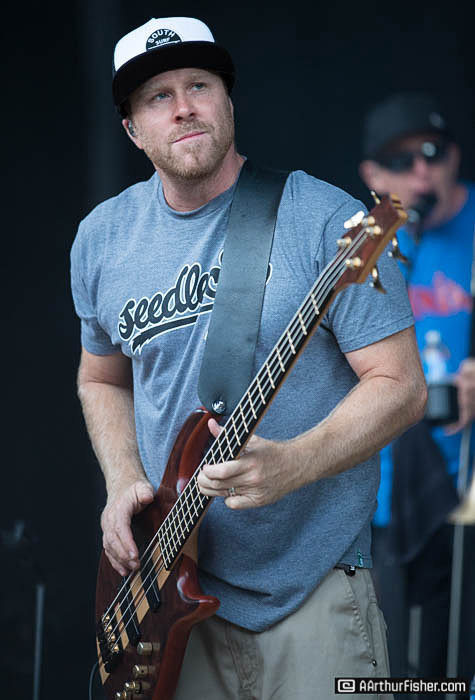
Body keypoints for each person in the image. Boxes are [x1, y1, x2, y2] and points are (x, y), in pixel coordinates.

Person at [71, 18, 426, 700]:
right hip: (167, 594)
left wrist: (296, 462)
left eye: (199, 85)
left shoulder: (327, 219)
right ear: (132, 129)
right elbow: (100, 377)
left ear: (228, 102)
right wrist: (122, 481)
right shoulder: (101, 239)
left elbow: (401, 386)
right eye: (158, 96)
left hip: (311, 587)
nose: (183, 107)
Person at [359, 92, 475, 690]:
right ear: (373, 176)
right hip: (383, 495)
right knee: (391, 670)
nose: (421, 171)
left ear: (454, 156)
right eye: (401, 161)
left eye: (432, 152)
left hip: (465, 484)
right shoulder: (366, 240)